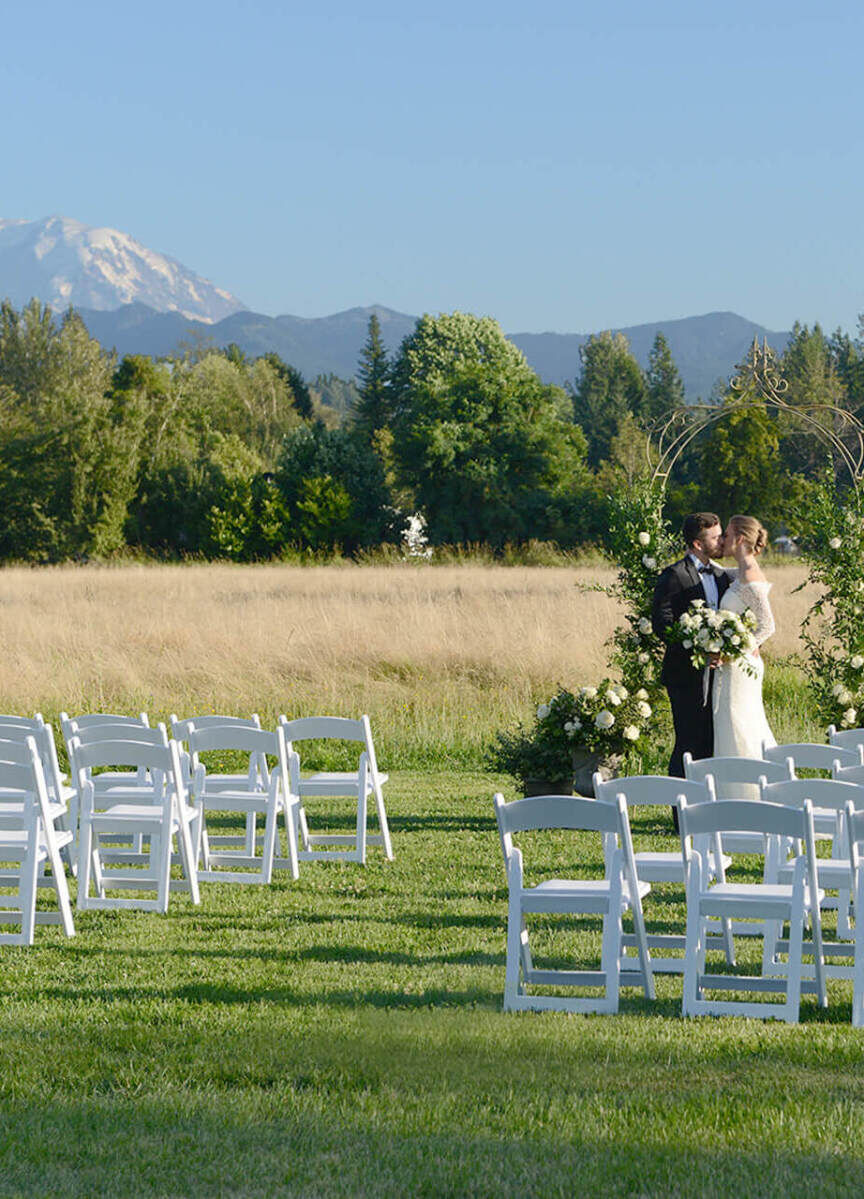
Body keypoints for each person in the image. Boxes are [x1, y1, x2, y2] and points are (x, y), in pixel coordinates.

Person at [652, 514, 732, 828]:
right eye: (715, 537)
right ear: (698, 543)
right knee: (687, 741)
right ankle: (681, 814)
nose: (721, 541)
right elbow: (663, 624)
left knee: (711, 740)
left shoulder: (723, 575)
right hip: (685, 675)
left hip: (721, 675)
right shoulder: (673, 575)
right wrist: (699, 647)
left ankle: (707, 809)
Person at [712, 514, 776, 760]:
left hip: (739, 666)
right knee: (731, 725)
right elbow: (715, 570)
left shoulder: (750, 574)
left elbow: (768, 625)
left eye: (726, 535)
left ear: (739, 538)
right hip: (733, 664)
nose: (723, 540)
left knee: (739, 724)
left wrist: (736, 650)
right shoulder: (740, 571)